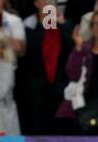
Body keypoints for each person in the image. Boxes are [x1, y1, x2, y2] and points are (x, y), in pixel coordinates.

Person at [19, 0, 74, 135]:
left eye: (53, 2)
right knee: (37, 129)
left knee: (60, 129)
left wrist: (62, 24)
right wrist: (46, 23)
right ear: (36, 3)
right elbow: (29, 49)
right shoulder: (27, 26)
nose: (50, 4)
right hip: (36, 91)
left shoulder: (66, 26)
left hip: (61, 89)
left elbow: (73, 49)